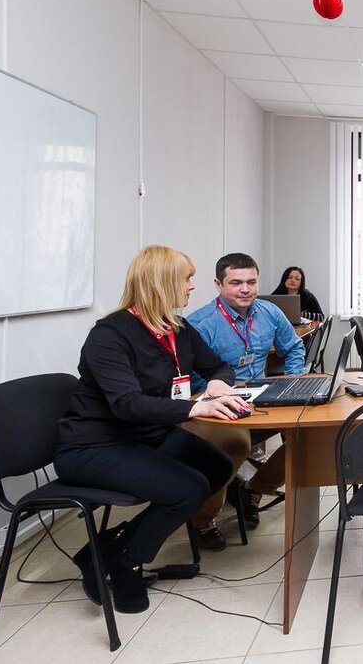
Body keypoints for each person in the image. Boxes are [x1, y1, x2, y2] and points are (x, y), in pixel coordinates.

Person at [54, 246, 248, 614]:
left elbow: (218, 366)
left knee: (218, 466)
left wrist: (218, 383)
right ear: (162, 283)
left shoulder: (177, 327)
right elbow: (127, 404)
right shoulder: (109, 335)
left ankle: (109, 545)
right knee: (187, 489)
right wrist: (195, 407)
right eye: (186, 279)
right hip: (94, 446)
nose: (191, 286)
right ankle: (127, 562)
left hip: (146, 435)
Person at [185, 253, 306, 549]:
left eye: (251, 282)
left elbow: (294, 347)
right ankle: (203, 519)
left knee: (307, 435)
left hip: (262, 400)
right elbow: (191, 380)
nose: (245, 289)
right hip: (219, 407)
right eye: (236, 282)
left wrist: (292, 382)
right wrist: (220, 395)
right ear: (218, 284)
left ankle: (254, 489)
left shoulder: (269, 312)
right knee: (232, 445)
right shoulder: (199, 324)